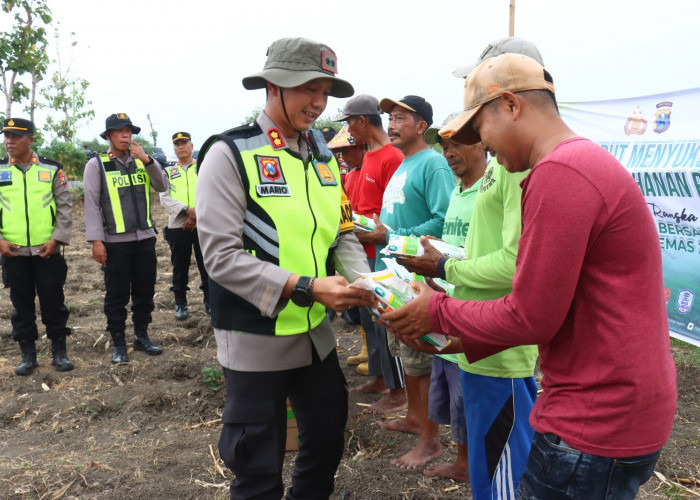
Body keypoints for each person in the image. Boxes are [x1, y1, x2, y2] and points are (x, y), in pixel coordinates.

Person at [383, 53, 677, 499]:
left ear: (511, 106)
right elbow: (555, 308)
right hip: (616, 405)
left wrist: (436, 311)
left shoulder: (558, 172)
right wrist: (463, 339)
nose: (484, 146)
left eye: (480, 130)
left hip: (594, 416)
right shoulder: (574, 164)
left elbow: (531, 316)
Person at [196, 37, 373, 499]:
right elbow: (220, 258)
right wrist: (308, 287)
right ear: (272, 87)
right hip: (256, 334)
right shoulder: (230, 153)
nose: (318, 103)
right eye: (306, 89)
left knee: (327, 438)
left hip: (314, 334)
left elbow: (342, 232)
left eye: (325, 91)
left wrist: (370, 286)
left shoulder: (321, 153)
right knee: (256, 465)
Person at [403, 104, 539, 494]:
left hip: (501, 354)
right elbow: (480, 253)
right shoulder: (496, 172)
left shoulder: (517, 170)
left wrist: (445, 269)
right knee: (487, 473)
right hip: (477, 341)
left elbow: (516, 264)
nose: (450, 151)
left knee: (505, 478)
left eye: (465, 135)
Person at [359, 95, 454, 469]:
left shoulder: (433, 164)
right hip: (398, 272)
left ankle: (430, 440)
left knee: (423, 356)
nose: (392, 124)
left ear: (422, 126)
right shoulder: (404, 164)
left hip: (419, 277)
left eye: (401, 118)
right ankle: (416, 419)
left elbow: (442, 221)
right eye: (390, 117)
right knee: (410, 355)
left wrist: (391, 235)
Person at [334, 94, 406, 412]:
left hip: (381, 250)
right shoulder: (367, 159)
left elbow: (396, 207)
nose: (349, 130)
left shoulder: (392, 157)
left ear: (362, 121)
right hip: (361, 250)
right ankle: (380, 375)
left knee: (385, 318)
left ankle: (397, 387)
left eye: (350, 122)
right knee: (369, 316)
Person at [84, 113, 169, 363]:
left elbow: (162, 186)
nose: (125, 135)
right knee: (117, 295)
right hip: (114, 243)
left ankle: (141, 336)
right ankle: (118, 343)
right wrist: (96, 242)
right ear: (108, 136)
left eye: (129, 131)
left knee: (145, 292)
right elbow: (92, 206)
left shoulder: (142, 161)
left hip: (144, 240)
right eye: (120, 131)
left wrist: (148, 159)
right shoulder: (97, 165)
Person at [0, 117, 73, 375]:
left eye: (16, 136)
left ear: (30, 139)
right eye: (6, 136)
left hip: (47, 251)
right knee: (21, 305)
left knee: (53, 301)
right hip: (14, 252)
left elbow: (64, 206)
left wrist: (57, 239)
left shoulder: (52, 170)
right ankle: (28, 354)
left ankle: (59, 351)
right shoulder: (0, 171)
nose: (9, 142)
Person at [159, 131, 209, 320]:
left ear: (191, 146)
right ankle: (180, 303)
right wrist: (187, 210)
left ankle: (209, 301)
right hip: (178, 225)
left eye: (184, 143)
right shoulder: (168, 172)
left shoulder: (203, 168)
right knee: (180, 265)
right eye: (177, 144)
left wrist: (195, 216)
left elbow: (211, 194)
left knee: (206, 264)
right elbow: (164, 199)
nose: (180, 147)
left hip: (203, 222)